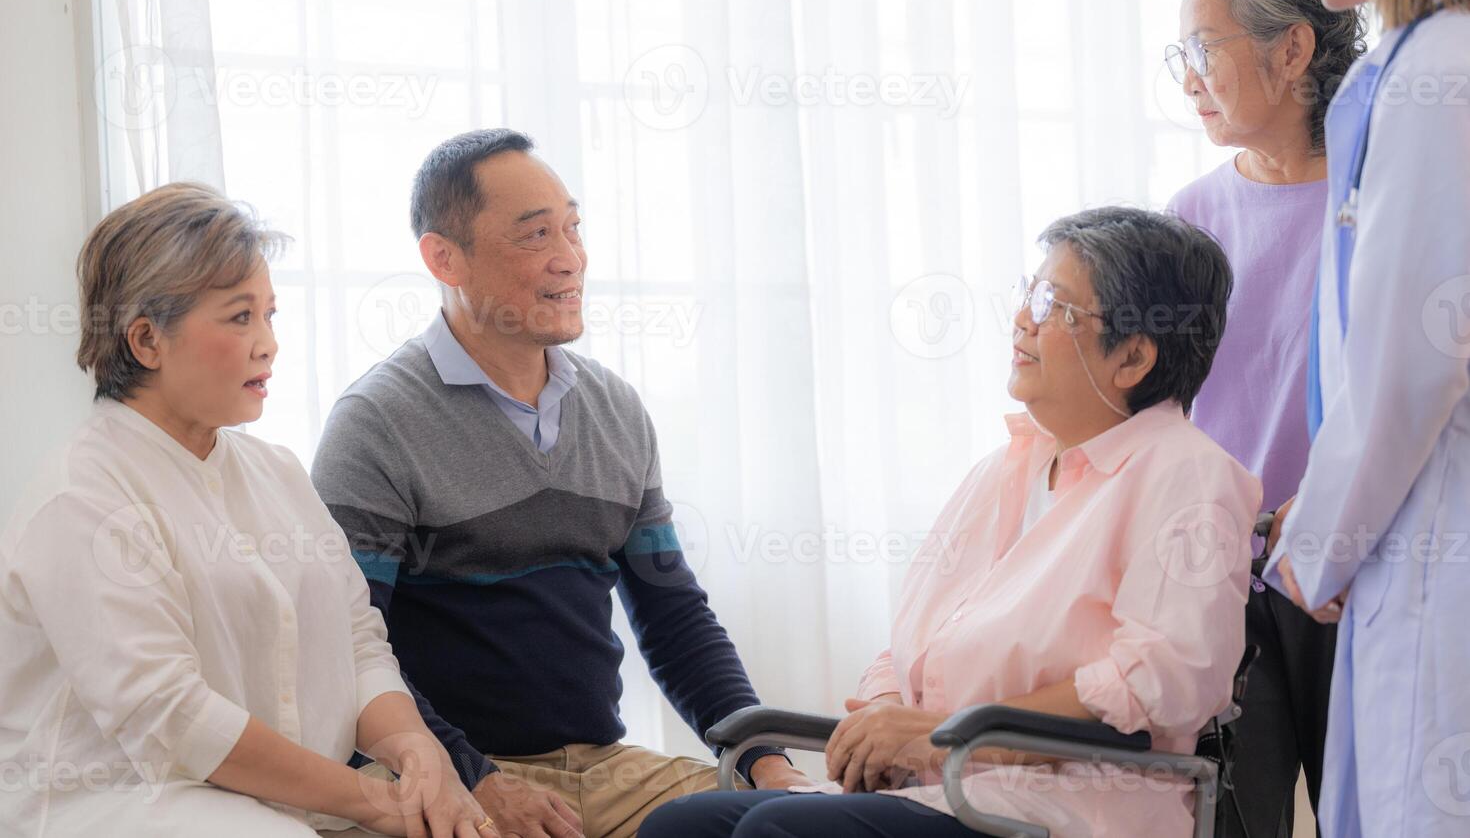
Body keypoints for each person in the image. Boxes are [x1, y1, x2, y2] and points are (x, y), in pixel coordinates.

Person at [640, 207, 1262, 838]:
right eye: (1029, 291)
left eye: (1053, 304)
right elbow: (915, 647)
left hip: (1071, 808)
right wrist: (881, 721)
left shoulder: (1187, 477)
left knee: (775, 834)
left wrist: (937, 738)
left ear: (1131, 358)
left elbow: (1165, 682)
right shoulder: (1013, 465)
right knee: (684, 826)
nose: (1022, 318)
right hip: (946, 790)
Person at [311, 130, 808, 838]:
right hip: (440, 774)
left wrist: (766, 761)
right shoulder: (376, 424)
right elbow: (347, 653)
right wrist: (473, 778)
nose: (569, 259)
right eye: (536, 234)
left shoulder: (616, 411)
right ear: (443, 257)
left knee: (789, 824)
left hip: (604, 771)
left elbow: (675, 619)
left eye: (573, 229)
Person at [0, 184, 492, 837]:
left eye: (270, 314)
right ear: (147, 340)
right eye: (239, 317)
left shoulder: (276, 472)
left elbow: (355, 638)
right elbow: (173, 717)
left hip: (284, 806)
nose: (269, 344)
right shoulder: (83, 497)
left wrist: (415, 749)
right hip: (111, 806)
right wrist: (379, 805)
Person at [1263, 0, 1470, 836]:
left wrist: (1316, 545)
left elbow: (1410, 363)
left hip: (1434, 555)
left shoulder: (1443, 71)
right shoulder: (1418, 63)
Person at [1165, 0, 1366, 837]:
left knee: (1368, 813)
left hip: (1352, 568)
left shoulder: (1375, 202)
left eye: (1205, 50)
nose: (1188, 77)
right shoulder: (1191, 220)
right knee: (1233, 821)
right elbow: (1162, 413)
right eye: (1181, 55)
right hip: (1225, 580)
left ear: (1293, 50)